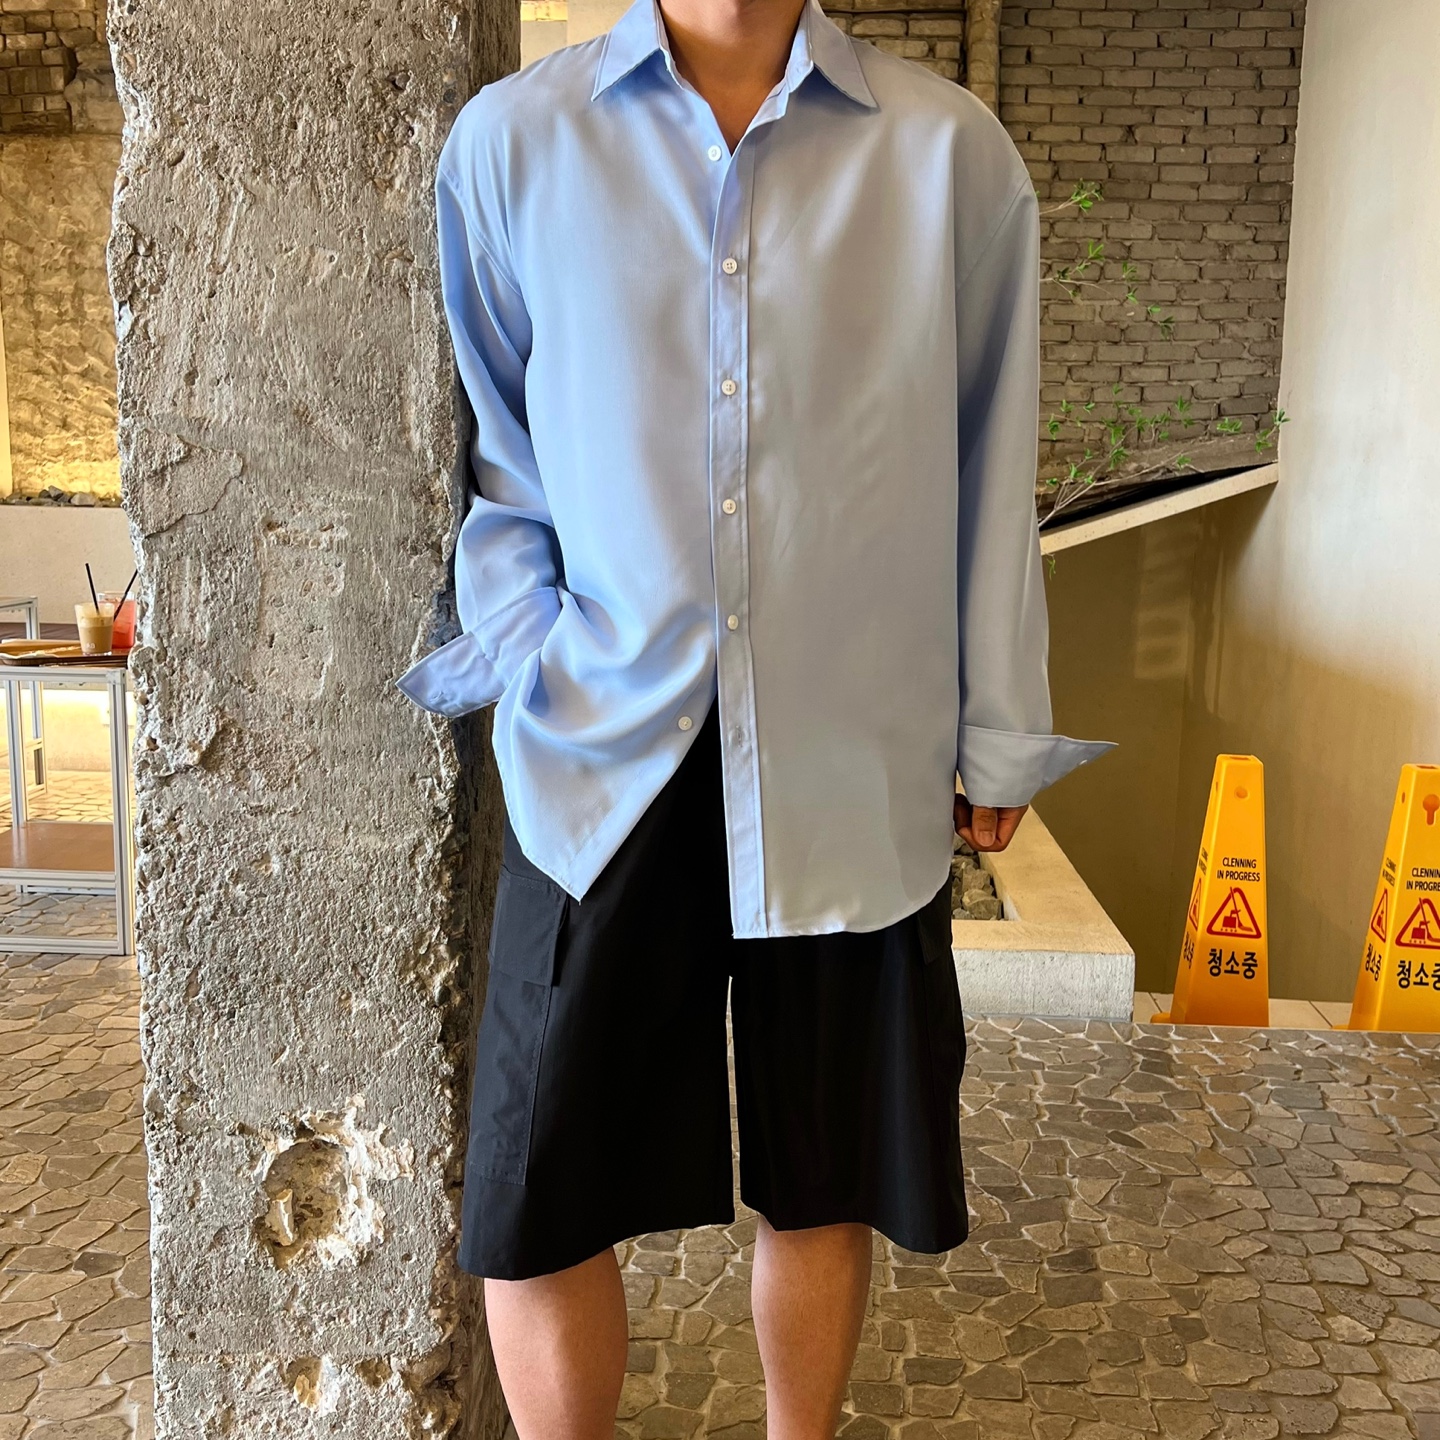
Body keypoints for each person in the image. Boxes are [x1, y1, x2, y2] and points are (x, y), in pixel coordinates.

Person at [398, 0, 1110, 1432]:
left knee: (823, 1172)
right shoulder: (515, 146)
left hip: (852, 746)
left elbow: (990, 461)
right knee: (534, 1192)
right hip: (604, 739)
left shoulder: (950, 157)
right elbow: (499, 450)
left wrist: (996, 724)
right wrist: (532, 646)